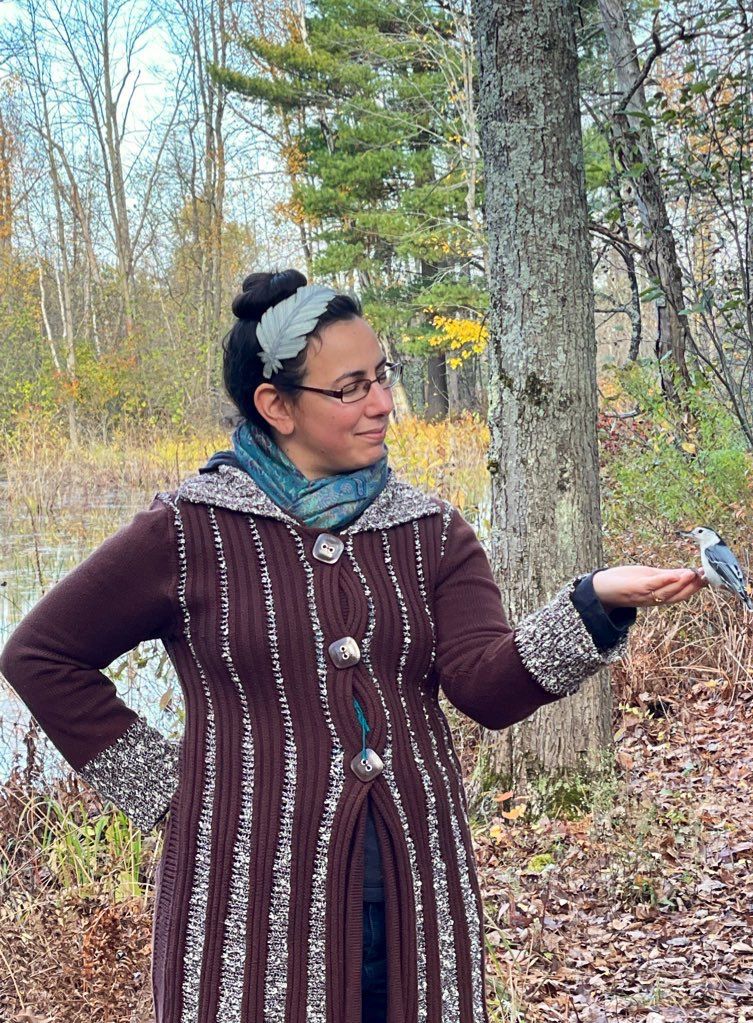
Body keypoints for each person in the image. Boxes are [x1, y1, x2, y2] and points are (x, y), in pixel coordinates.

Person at [0, 269, 707, 1023]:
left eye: (383, 376)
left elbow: (485, 687)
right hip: (247, 909)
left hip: (416, 901)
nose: (382, 404)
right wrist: (172, 797)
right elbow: (41, 655)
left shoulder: (430, 531)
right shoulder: (187, 531)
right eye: (351, 387)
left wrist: (592, 603)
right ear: (275, 405)